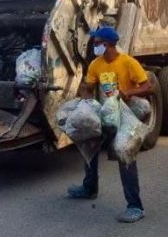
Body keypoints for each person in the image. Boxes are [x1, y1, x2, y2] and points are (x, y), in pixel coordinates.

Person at [67, 26, 153, 223]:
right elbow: (89, 87)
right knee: (88, 141)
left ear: (108, 44)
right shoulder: (96, 64)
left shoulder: (128, 62)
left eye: (96, 43)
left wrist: (129, 93)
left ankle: (135, 207)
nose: (94, 46)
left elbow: (149, 87)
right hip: (107, 112)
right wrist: (85, 99)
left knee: (125, 154)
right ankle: (89, 188)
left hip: (125, 114)